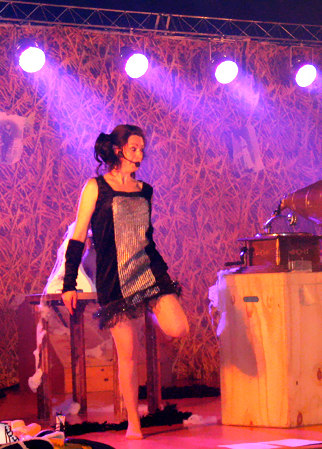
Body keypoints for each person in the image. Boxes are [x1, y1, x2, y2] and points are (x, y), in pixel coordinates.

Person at [61, 124, 189, 439]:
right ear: (118, 151)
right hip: (114, 276)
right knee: (128, 355)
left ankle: (148, 310)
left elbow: (146, 235)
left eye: (142, 149)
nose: (140, 154)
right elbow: (79, 236)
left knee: (178, 327)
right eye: (134, 148)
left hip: (148, 268)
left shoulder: (145, 190)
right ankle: (134, 421)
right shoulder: (96, 187)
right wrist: (69, 283)